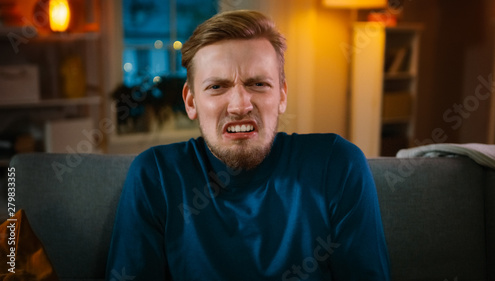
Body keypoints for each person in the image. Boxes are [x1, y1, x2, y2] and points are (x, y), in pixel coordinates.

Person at [106, 10, 390, 281]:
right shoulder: (155, 176)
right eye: (217, 86)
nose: (240, 105)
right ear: (191, 101)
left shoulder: (337, 165)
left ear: (281, 94)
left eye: (258, 84)